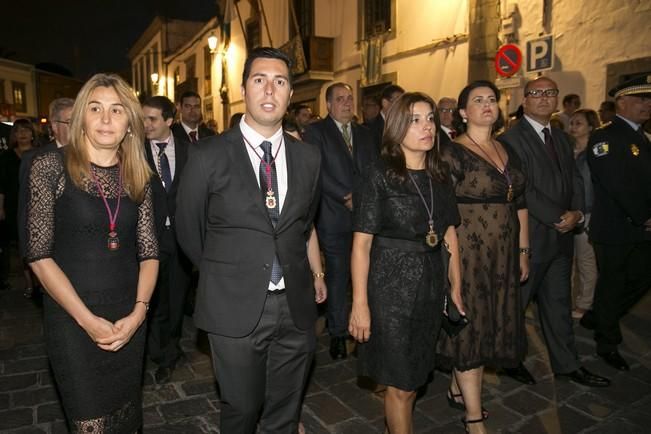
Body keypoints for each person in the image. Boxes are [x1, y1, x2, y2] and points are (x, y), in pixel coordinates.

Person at [176, 47, 323, 433]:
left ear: (291, 94)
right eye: (260, 80)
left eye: (280, 81)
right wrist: (227, 274)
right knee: (241, 408)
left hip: (294, 306)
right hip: (233, 307)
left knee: (285, 411)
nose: (270, 89)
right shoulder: (206, 155)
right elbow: (189, 231)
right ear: (244, 89)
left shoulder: (308, 158)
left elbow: (303, 224)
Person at [25, 73, 159, 432]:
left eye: (117, 110)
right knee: (91, 425)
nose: (105, 119)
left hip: (129, 316)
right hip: (73, 319)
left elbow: (149, 252)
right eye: (96, 108)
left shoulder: (137, 175)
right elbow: (38, 255)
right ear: (82, 115)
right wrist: (86, 320)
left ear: (130, 123)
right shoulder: (49, 167)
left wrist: (139, 313)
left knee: (128, 421)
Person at [349, 92, 461, 434]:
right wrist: (360, 304)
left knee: (413, 381)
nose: (426, 127)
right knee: (398, 384)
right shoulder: (378, 175)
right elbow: (361, 245)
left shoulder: (439, 175)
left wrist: (456, 287)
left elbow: (449, 234)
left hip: (429, 286)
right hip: (388, 288)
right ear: (397, 127)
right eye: (415, 120)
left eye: (430, 119)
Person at [498, 76, 610, 388]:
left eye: (551, 92)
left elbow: (574, 178)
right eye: (537, 93)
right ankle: (509, 360)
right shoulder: (512, 138)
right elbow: (522, 187)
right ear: (525, 100)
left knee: (559, 305)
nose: (545, 98)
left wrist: (576, 212)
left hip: (562, 238)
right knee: (516, 306)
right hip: (530, 238)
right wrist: (556, 216)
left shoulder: (561, 137)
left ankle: (567, 364)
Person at [436, 81, 529, 434]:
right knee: (471, 328)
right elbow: (442, 212)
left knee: (491, 323)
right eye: (478, 101)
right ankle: (474, 419)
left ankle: (458, 388)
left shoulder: (507, 149)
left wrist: (523, 250)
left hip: (504, 255)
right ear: (463, 113)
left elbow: (519, 203)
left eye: (492, 99)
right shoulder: (451, 152)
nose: (487, 105)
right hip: (469, 254)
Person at [302, 82, 377, 360]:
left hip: (365, 216)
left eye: (350, 98)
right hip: (333, 215)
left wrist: (367, 199)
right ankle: (337, 333)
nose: (347, 103)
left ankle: (362, 331)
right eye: (341, 99)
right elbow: (316, 169)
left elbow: (373, 169)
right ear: (329, 105)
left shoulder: (365, 134)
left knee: (364, 275)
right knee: (337, 275)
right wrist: (344, 196)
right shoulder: (316, 132)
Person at [581, 76, 651, 372]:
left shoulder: (641, 137)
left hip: (639, 228)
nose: (648, 105)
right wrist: (643, 215)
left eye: (650, 100)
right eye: (642, 100)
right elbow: (616, 183)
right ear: (622, 102)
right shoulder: (606, 136)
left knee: (642, 277)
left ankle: (599, 316)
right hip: (615, 228)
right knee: (613, 284)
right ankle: (606, 341)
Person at [142, 95, 193, 383]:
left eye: (152, 119)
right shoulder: (134, 151)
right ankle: (162, 354)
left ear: (169, 121)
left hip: (182, 239)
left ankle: (170, 346)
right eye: (143, 118)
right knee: (156, 299)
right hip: (150, 238)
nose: (146, 124)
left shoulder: (189, 151)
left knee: (177, 298)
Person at [568, 109, 601, 320]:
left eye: (578, 123)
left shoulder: (595, 153)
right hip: (566, 212)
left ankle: (585, 303)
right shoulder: (567, 150)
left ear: (590, 126)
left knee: (586, 262)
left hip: (588, 213)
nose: (572, 126)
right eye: (571, 122)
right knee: (565, 260)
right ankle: (566, 300)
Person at [0, 119, 38, 292]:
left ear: (32, 133)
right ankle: (29, 283)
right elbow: (1, 185)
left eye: (26, 130)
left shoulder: (40, 153)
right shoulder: (6, 157)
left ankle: (40, 281)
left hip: (37, 203)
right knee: (23, 244)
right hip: (14, 205)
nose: (22, 134)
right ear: (13, 135)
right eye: (18, 131)